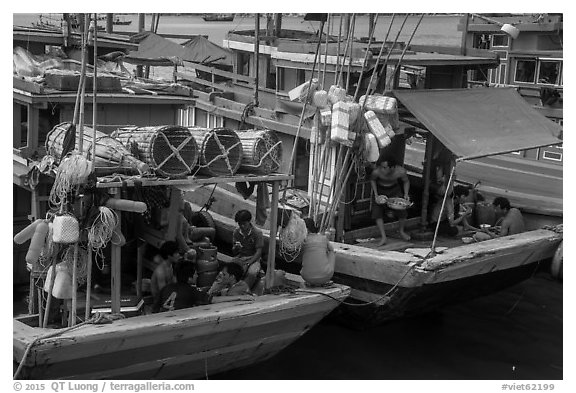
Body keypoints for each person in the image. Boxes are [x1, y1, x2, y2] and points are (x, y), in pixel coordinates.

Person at [154, 261, 254, 313]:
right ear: (189, 279)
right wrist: (241, 297)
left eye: (223, 274)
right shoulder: (192, 291)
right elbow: (212, 300)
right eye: (195, 274)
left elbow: (155, 308)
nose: (197, 275)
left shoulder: (166, 288)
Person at [370, 156, 411, 245]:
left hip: (394, 190)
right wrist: (376, 195)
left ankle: (401, 231)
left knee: (403, 211)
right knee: (377, 213)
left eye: (385, 167)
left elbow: (406, 181)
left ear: (392, 168)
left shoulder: (400, 171)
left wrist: (406, 194)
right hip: (381, 189)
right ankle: (383, 237)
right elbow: (372, 180)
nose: (382, 169)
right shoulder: (377, 172)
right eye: (381, 167)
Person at [231, 209, 264, 288]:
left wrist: (248, 263)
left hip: (254, 258)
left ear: (249, 222)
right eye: (240, 224)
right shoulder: (236, 232)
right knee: (230, 269)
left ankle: (246, 289)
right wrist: (236, 248)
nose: (242, 226)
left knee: (252, 273)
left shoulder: (257, 233)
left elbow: (258, 252)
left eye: (244, 224)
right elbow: (234, 252)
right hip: (241, 257)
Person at [300, 218, 335, 286]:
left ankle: (312, 279)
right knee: (331, 251)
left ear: (306, 229)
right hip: (326, 276)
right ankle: (324, 272)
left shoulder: (303, 241)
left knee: (307, 254)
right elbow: (331, 249)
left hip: (306, 277)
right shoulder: (323, 238)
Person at [150, 241, 179, 305]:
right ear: (169, 256)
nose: (178, 255)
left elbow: (175, 283)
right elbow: (163, 293)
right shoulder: (160, 271)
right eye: (176, 253)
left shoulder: (170, 266)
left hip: (169, 296)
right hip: (160, 301)